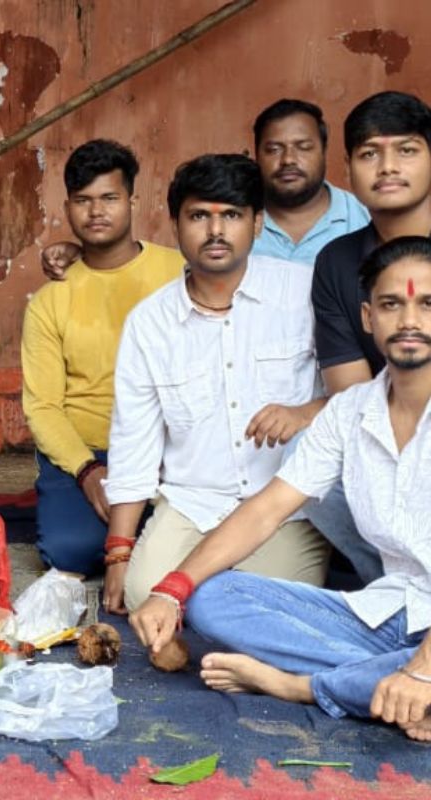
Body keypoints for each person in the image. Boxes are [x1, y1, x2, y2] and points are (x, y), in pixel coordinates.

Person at [132, 236, 431, 742]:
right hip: (392, 610)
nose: (409, 320)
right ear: (366, 317)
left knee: (411, 670)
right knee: (215, 597)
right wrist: (171, 590)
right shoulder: (351, 411)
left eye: (427, 304)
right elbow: (267, 509)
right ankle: (388, 682)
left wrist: (422, 670)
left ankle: (303, 686)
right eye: (391, 303)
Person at [102, 154, 330, 614]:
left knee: (269, 611)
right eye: (199, 216)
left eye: (231, 215)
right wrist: (119, 554)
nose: (215, 231)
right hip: (193, 501)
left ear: (258, 222)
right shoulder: (150, 323)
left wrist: (305, 413)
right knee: (144, 594)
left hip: (284, 505)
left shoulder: (305, 293)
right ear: (175, 224)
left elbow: (361, 392)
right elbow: (134, 443)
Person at [21, 140, 184, 575]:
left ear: (131, 201)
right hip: (87, 450)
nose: (96, 212)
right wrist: (88, 471)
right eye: (83, 201)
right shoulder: (50, 299)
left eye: (109, 198)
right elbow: (43, 407)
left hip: (170, 446)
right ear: (68, 207)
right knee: (70, 551)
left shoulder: (179, 274)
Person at [304, 91, 431, 584]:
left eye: (407, 150)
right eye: (369, 153)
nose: (387, 167)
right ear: (350, 171)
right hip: (387, 432)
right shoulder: (337, 261)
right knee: (305, 458)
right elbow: (349, 392)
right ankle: (390, 587)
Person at [250, 98, 370, 264]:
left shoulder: (364, 218)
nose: (288, 159)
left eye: (303, 147)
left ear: (324, 151)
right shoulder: (233, 222)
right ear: (257, 156)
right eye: (274, 150)